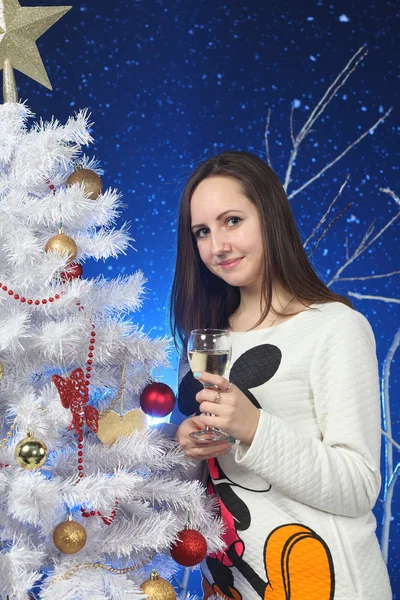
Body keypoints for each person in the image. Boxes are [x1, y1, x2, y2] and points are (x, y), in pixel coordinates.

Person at [169, 151, 392, 600]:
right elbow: (213, 487)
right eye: (202, 232)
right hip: (233, 586)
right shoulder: (207, 345)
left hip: (326, 584)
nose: (218, 246)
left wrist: (253, 428)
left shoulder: (334, 327)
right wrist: (191, 450)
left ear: (269, 216)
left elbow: (359, 486)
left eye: (232, 220)